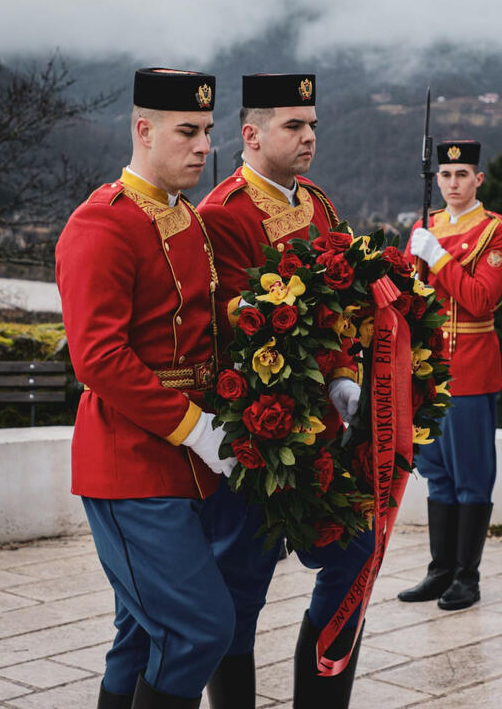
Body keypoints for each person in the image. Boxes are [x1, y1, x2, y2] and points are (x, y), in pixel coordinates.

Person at [56, 68, 238, 709]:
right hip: (129, 466)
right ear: (144, 129)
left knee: (139, 635)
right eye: (187, 132)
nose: (202, 147)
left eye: (207, 132)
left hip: (188, 465)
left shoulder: (185, 217)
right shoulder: (100, 225)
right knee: (200, 628)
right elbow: (99, 359)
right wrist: (199, 428)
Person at [197, 73, 371, 709]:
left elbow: (342, 303)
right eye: (294, 126)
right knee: (240, 590)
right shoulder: (224, 213)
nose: (309, 138)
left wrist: (346, 369)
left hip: (322, 433)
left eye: (313, 126)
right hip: (260, 439)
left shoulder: (319, 203)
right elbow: (231, 330)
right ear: (251, 133)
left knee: (356, 556)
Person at [398, 139, 502, 610]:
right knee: (438, 474)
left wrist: (439, 257)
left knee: (471, 475)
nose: (452, 184)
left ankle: (467, 576)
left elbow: (481, 298)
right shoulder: (425, 226)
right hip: (430, 363)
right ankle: (439, 569)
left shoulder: (496, 231)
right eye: (445, 177)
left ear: (478, 179)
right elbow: (410, 296)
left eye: (461, 175)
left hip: (470, 362)